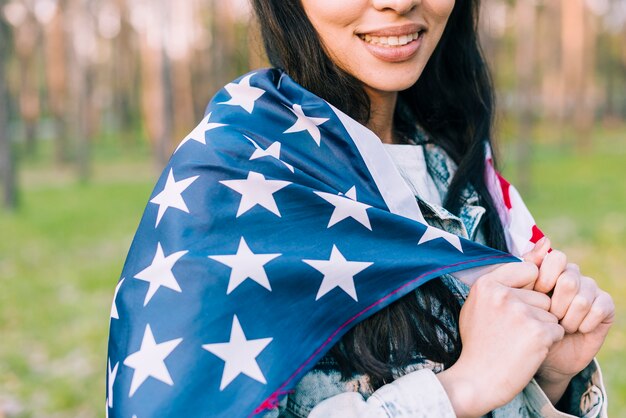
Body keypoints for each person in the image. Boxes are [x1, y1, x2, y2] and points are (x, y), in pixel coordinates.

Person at [106, 1, 614, 417]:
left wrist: (549, 379)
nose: (398, 1)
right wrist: (459, 390)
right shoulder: (226, 181)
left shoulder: (459, 171)